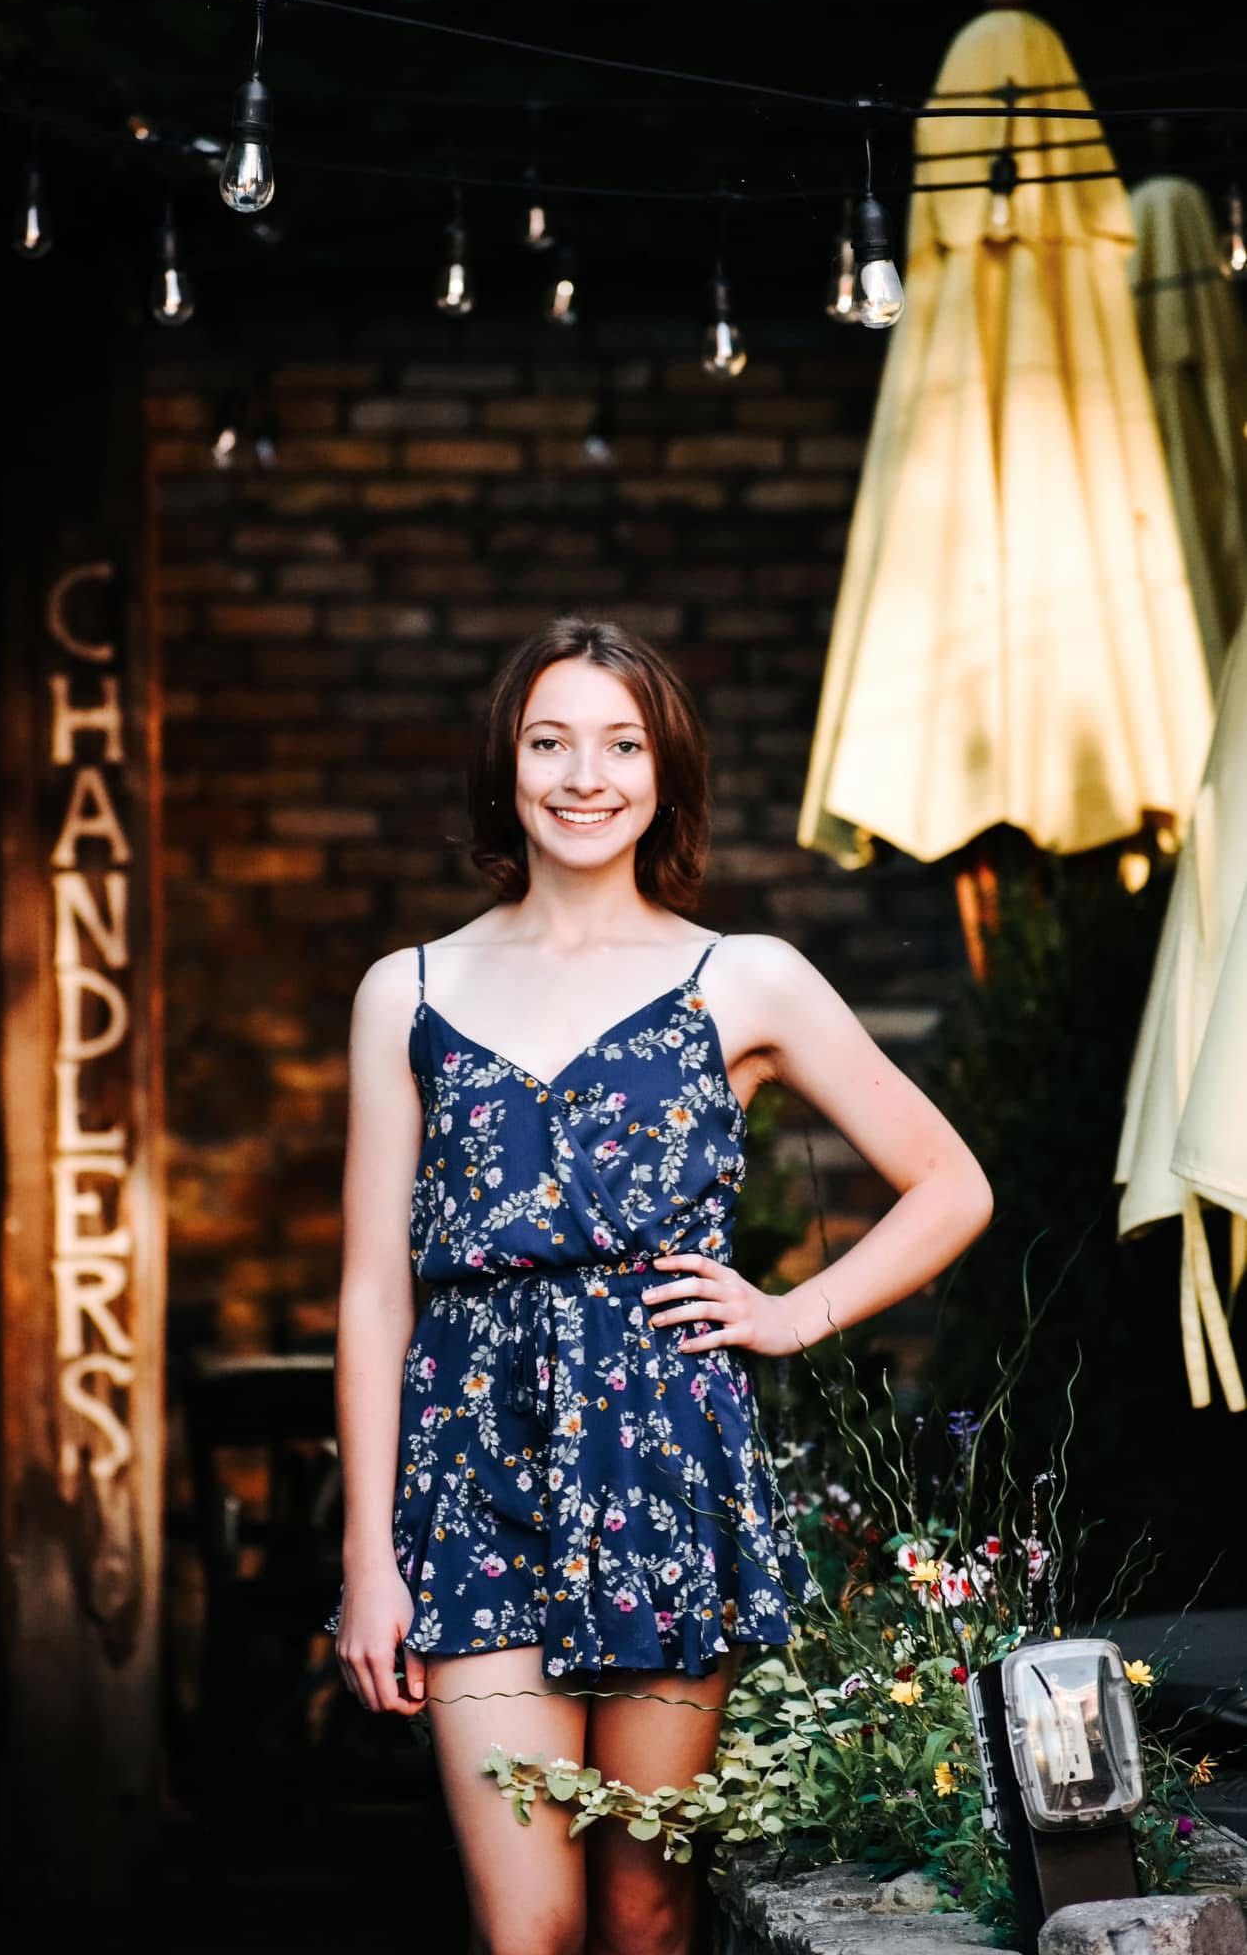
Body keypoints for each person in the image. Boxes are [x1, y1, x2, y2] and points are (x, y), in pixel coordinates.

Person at [330, 614, 993, 1955]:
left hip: (663, 1466)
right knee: (528, 1930)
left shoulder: (741, 977)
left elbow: (951, 1184)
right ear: (504, 768)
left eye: (622, 745)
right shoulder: (406, 991)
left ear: (666, 771)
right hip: (470, 1476)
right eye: (551, 743)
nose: (586, 776)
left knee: (646, 1914)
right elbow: (372, 1295)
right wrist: (368, 1558)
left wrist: (790, 1314)